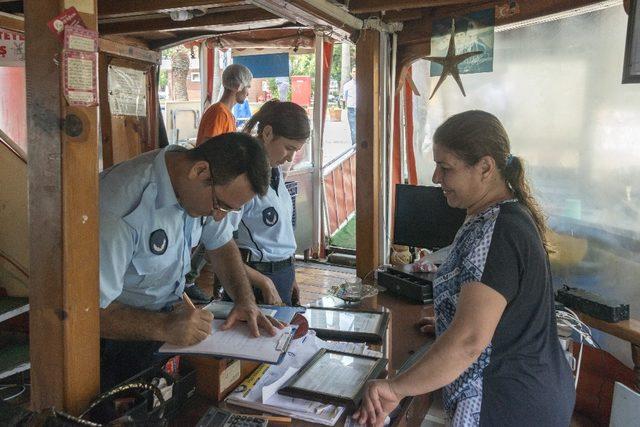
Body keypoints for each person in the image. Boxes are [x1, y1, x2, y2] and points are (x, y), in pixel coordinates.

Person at [354, 111, 575, 426]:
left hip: (510, 403)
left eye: (445, 168)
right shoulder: (498, 217)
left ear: (485, 167)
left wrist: (395, 387)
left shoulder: (499, 230)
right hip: (527, 390)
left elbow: (470, 340)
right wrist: (451, 322)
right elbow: (491, 315)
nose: (435, 178)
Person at [99, 133, 283, 389]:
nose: (219, 217)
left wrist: (244, 300)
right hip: (116, 341)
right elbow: (87, 313)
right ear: (199, 170)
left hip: (169, 325)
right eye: (221, 206)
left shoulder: (197, 187)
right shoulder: (119, 207)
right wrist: (163, 327)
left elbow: (221, 244)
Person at [221, 100, 310, 306]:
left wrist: (291, 274)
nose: (290, 158)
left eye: (295, 150)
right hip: (256, 279)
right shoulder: (241, 179)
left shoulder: (274, 171)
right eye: (288, 148)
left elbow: (281, 235)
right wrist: (264, 282)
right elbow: (218, 247)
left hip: (282, 274)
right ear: (268, 133)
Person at [196, 64, 252, 145]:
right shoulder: (219, 113)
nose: (248, 93)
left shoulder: (225, 113)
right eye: (248, 87)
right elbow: (208, 150)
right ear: (239, 86)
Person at [342, 67, 356, 145]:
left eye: (357, 71)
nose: (355, 73)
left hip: (361, 109)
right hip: (351, 109)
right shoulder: (347, 85)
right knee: (353, 130)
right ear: (351, 73)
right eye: (354, 71)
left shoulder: (363, 84)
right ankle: (354, 147)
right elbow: (345, 98)